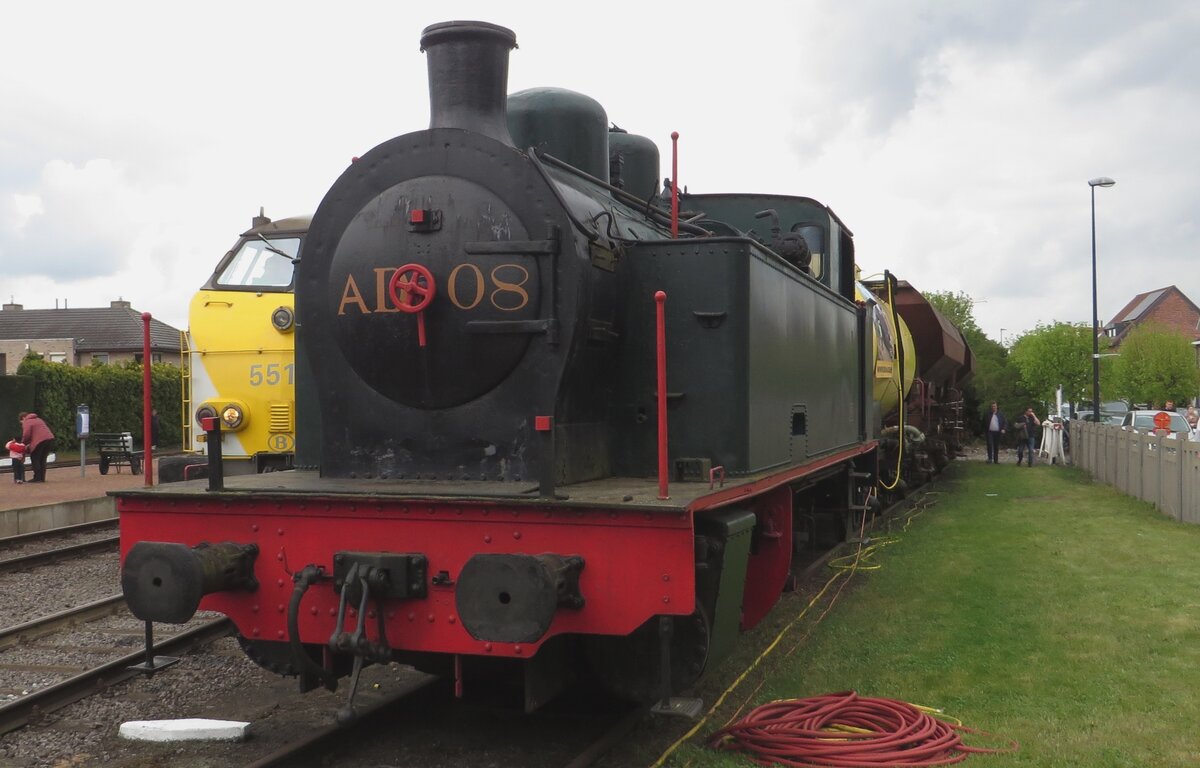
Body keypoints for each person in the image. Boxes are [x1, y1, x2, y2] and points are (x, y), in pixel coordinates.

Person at [19, 412, 56, 483]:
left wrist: (23, 444)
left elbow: (26, 434)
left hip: (40, 441)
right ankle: (42, 478)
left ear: (23, 418)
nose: (22, 424)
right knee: (42, 459)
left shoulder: (27, 421)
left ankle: (37, 478)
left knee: (35, 458)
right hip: (49, 439)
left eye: (21, 422)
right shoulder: (39, 419)